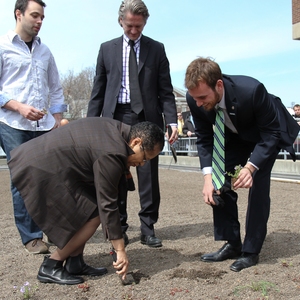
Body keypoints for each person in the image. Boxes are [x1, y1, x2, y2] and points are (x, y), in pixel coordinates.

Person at [8, 118, 165, 285]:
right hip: (41, 167)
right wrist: (120, 250)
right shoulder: (112, 150)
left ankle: (75, 262)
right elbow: (107, 203)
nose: (142, 164)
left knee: (89, 207)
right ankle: (51, 265)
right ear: (136, 141)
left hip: (45, 161)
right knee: (95, 214)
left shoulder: (117, 131)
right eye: (145, 158)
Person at [185, 57, 299, 272]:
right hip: (235, 136)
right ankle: (232, 243)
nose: (198, 104)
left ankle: (251, 251)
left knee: (257, 187)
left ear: (218, 85)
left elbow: (271, 134)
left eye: (202, 97)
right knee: (220, 180)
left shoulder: (252, 90)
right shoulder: (195, 99)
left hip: (265, 135)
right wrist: (208, 178)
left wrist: (250, 167)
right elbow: (204, 139)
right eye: (194, 98)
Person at [87, 0, 177, 248]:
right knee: (116, 173)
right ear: (120, 22)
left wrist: (172, 121)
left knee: (148, 175)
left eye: (139, 26)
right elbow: (98, 90)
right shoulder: (107, 49)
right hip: (115, 118)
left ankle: (148, 227)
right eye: (130, 26)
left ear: (145, 23)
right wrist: (90, 124)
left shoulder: (156, 49)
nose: (134, 31)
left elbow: (166, 91)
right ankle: (121, 226)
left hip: (147, 118)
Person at [0, 0, 67, 254]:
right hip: (12, 123)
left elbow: (56, 88)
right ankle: (31, 237)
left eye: (42, 18)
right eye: (35, 16)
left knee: (49, 176)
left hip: (44, 126)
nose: (39, 22)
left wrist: (59, 119)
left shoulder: (45, 52)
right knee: (22, 177)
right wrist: (18, 106)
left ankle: (54, 227)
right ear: (19, 14)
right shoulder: (3, 47)